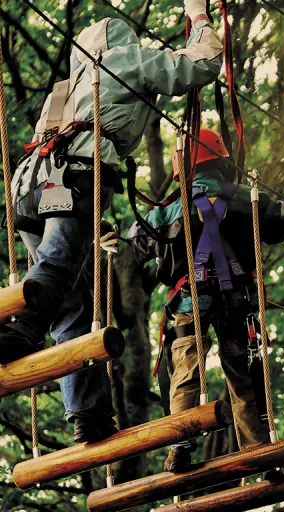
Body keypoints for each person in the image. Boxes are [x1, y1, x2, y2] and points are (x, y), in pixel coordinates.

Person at [0, 2, 223, 444]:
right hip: (73, 175)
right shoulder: (123, 60)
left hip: (27, 188)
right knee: (58, 266)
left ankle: (89, 414)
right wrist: (198, 16)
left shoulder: (65, 89)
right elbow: (202, 64)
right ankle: (20, 330)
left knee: (72, 305)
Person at [127, 128, 284, 472]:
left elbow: (137, 241)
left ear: (183, 169)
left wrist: (110, 238)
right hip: (236, 301)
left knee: (186, 369)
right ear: (223, 163)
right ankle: (258, 450)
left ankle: (180, 444)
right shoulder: (248, 199)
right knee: (244, 377)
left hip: (189, 301)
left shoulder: (166, 210)